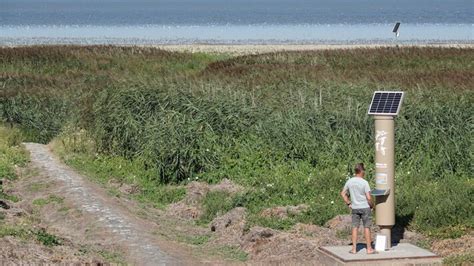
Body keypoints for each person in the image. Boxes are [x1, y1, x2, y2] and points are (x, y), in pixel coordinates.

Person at [340, 163, 376, 254]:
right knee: (367, 227)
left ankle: (354, 249)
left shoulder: (350, 181)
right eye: (364, 170)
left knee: (355, 227)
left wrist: (349, 203)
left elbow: (343, 193)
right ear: (361, 171)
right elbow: (368, 198)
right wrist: (372, 205)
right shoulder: (365, 182)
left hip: (355, 208)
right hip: (365, 208)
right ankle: (369, 249)